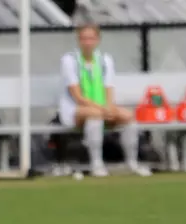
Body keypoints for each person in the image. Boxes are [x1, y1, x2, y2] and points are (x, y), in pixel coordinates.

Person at [58, 23, 151, 177]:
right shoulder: (69, 60)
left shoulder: (105, 60)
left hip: (101, 108)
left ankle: (132, 162)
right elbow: (77, 96)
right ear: (78, 40)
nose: (87, 42)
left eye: (91, 38)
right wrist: (103, 110)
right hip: (74, 109)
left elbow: (109, 87)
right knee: (95, 115)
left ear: (97, 40)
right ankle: (97, 164)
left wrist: (108, 107)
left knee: (128, 116)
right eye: (84, 39)